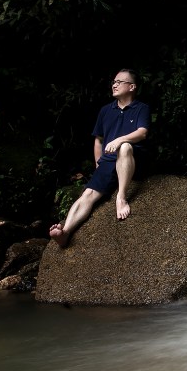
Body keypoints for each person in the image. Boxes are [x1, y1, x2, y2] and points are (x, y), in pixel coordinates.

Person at [49, 69, 151, 248]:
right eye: (113, 82)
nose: (115, 84)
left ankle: (121, 197)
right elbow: (99, 140)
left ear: (132, 87)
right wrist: (98, 164)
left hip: (133, 158)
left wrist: (120, 139)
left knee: (125, 147)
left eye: (119, 81)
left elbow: (142, 133)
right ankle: (65, 232)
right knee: (87, 194)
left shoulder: (141, 108)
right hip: (109, 161)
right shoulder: (105, 110)